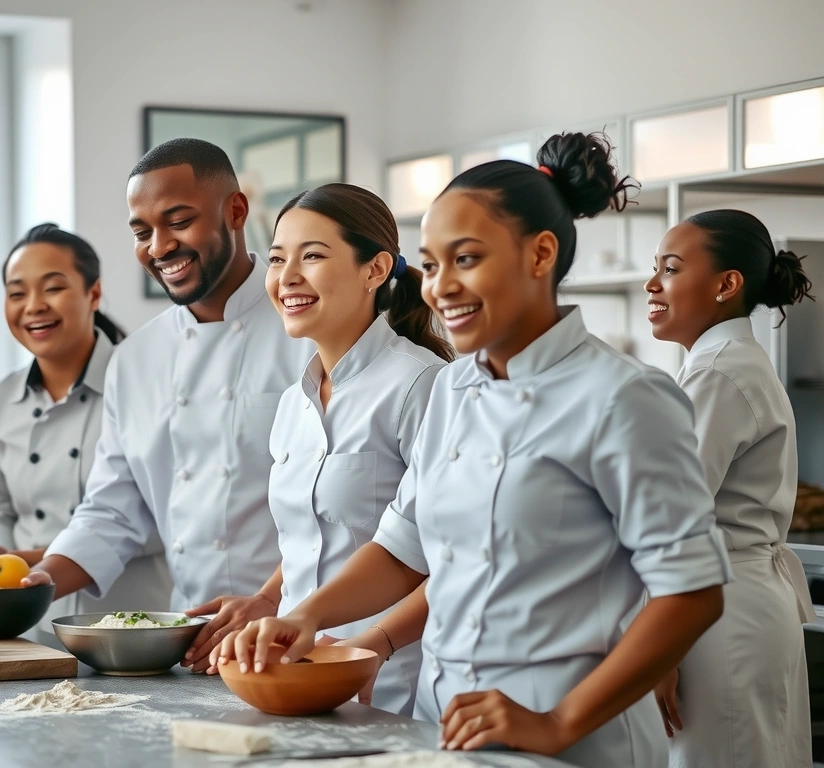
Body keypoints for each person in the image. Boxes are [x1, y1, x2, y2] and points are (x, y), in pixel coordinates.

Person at [213, 133, 732, 767]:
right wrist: (307, 618)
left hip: (572, 735)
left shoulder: (624, 397)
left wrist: (558, 722)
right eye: (430, 266)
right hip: (444, 722)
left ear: (540, 254)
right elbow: (402, 551)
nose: (440, 287)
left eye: (466, 259)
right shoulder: (455, 389)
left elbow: (692, 591)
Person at [23, 139, 313, 670]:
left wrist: (277, 601)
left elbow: (343, 515)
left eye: (179, 222)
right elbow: (113, 507)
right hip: (194, 643)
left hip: (307, 635)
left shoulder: (309, 333)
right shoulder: (134, 359)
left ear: (236, 211)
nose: (158, 247)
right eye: (141, 231)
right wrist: (39, 580)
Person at [226, 183, 453, 715]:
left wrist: (374, 644)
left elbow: (448, 556)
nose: (287, 278)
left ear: (375, 270)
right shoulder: (293, 401)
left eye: (312, 256)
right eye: (278, 258)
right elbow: (314, 533)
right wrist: (267, 599)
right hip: (299, 674)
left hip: (395, 683)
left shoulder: (422, 385)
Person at [645, 209, 814, 767]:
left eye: (670, 269)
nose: (652, 284)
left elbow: (671, 516)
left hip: (717, 614)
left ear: (726, 284)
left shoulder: (718, 372)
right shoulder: (722, 364)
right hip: (731, 605)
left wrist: (656, 648)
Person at [0, 223, 172, 629]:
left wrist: (42, 557)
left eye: (52, 288)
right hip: (26, 616)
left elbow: (167, 512)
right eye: (17, 293)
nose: (33, 305)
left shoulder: (148, 382)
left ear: (93, 293)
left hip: (133, 623)